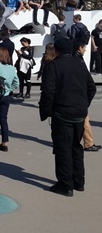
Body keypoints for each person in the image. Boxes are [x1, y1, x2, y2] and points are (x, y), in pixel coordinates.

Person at [40, 38, 96, 196]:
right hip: (79, 112)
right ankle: (79, 181)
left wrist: (47, 111)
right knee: (76, 146)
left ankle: (65, 184)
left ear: (56, 50)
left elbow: (48, 92)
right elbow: (91, 88)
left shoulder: (54, 65)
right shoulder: (79, 63)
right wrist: (83, 104)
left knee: (63, 148)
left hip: (62, 112)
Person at [73, 41, 102, 153]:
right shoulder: (78, 61)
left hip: (76, 97)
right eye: (84, 47)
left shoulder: (75, 58)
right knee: (84, 120)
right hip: (79, 97)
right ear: (79, 48)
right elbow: (89, 84)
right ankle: (88, 143)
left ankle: (87, 142)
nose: (85, 49)